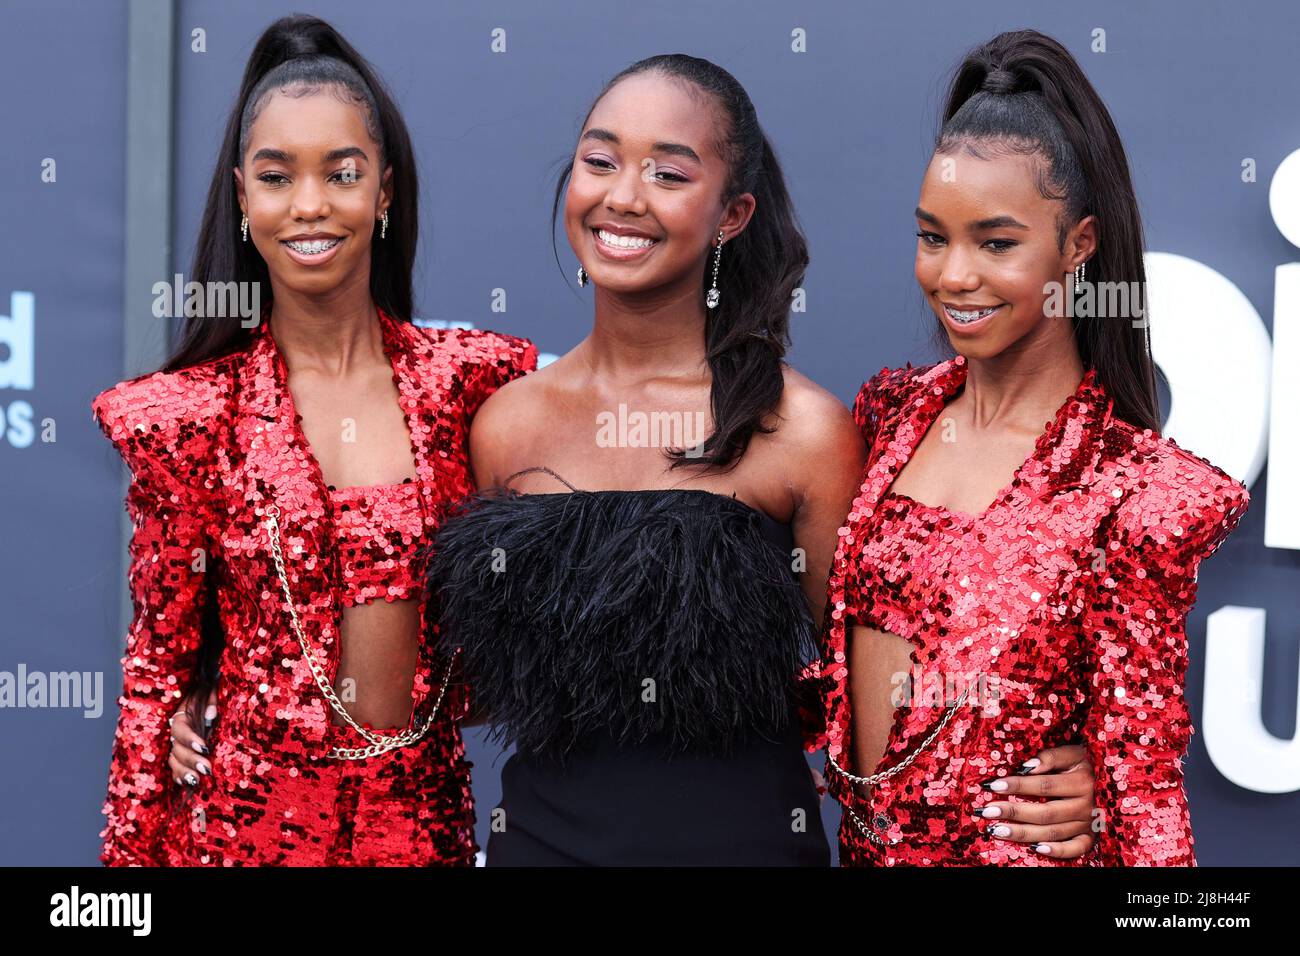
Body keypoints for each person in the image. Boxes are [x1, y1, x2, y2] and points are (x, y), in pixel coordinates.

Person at [424, 53, 1098, 865]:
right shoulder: (504, 424)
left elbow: (890, 683)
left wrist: (1070, 772)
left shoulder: (804, 432)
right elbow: (449, 688)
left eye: (668, 173)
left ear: (733, 214)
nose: (623, 196)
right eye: (599, 161)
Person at [93, 15, 534, 866]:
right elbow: (156, 679)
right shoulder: (190, 418)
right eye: (275, 175)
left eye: (342, 173)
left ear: (385, 192)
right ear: (241, 195)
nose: (309, 205)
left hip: (422, 830)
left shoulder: (472, 385)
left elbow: (512, 634)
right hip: (245, 831)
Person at [817, 30, 1249, 866]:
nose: (954, 275)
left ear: (1079, 247)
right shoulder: (888, 415)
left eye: (998, 242)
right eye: (933, 236)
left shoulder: (1134, 491)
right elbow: (835, 675)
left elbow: (1147, 797)